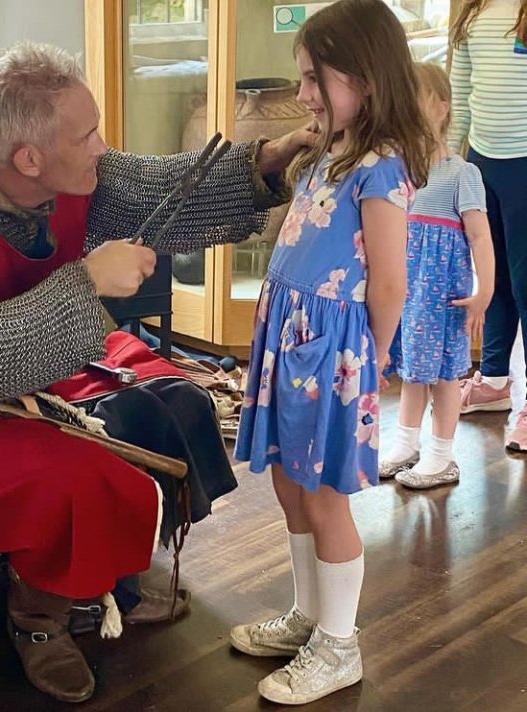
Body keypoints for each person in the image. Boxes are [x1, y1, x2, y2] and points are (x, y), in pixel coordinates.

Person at [0, 42, 316, 704]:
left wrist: (269, 161)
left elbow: (161, 183)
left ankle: (107, 577)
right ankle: (40, 623)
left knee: (177, 400)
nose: (103, 147)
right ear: (29, 157)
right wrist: (87, 284)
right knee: (81, 475)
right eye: (89, 135)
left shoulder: (62, 174)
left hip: (34, 363)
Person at [230, 0, 433, 705]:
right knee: (290, 483)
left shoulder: (381, 167)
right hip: (294, 339)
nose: (304, 94)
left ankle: (339, 644)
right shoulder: (331, 148)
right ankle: (309, 616)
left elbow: (389, 281)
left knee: (323, 497)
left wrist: (368, 359)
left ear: (367, 78)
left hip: (334, 355)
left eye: (316, 78)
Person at [380, 62, 494, 490]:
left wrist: (486, 292)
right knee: (412, 369)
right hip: (408, 293)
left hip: (443, 295)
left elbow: (481, 237)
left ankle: (442, 456)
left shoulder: (462, 173)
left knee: (445, 375)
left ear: (442, 108)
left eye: (416, 98)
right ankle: (406, 444)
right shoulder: (398, 170)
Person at [450, 0, 527, 452]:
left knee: (526, 283)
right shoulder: (473, 12)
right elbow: (458, 97)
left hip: (525, 166)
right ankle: (495, 377)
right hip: (482, 162)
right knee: (493, 277)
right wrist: (441, 163)